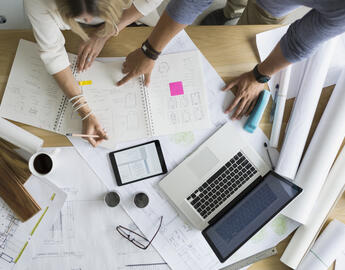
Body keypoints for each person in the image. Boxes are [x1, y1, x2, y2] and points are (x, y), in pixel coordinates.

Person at [118, 0, 345, 120]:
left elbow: (300, 42)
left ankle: (236, 14)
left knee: (258, 18)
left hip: (273, 6)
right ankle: (229, 12)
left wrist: (259, 76)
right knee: (236, 8)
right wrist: (150, 51)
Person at [24, 0, 163, 146]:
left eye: (96, 14)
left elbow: (149, 1)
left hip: (131, 17)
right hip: (69, 30)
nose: (89, 20)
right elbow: (53, 54)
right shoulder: (37, 2)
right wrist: (85, 112)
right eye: (83, 17)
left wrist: (105, 33)